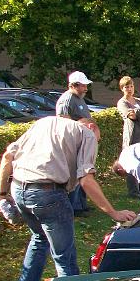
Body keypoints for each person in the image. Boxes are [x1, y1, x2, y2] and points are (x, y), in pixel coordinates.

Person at [0, 117, 136, 281]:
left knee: (39, 239)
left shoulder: (44, 123)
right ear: (91, 127)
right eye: (98, 139)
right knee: (64, 255)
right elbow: (86, 180)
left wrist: (1, 194)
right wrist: (113, 213)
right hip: (48, 194)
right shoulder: (87, 134)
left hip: (19, 189)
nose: (96, 144)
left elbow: (7, 157)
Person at [56, 71, 93, 215]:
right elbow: (63, 122)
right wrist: (80, 123)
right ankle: (74, 207)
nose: (86, 89)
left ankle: (82, 204)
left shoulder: (78, 98)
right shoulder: (67, 100)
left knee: (84, 172)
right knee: (75, 174)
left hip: (82, 142)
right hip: (72, 144)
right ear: (74, 85)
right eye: (83, 86)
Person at [117, 76, 140, 198]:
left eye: (131, 86)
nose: (129, 89)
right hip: (133, 136)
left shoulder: (139, 101)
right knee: (132, 163)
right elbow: (131, 116)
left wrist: (138, 113)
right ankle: (133, 192)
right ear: (122, 89)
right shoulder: (122, 102)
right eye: (126, 87)